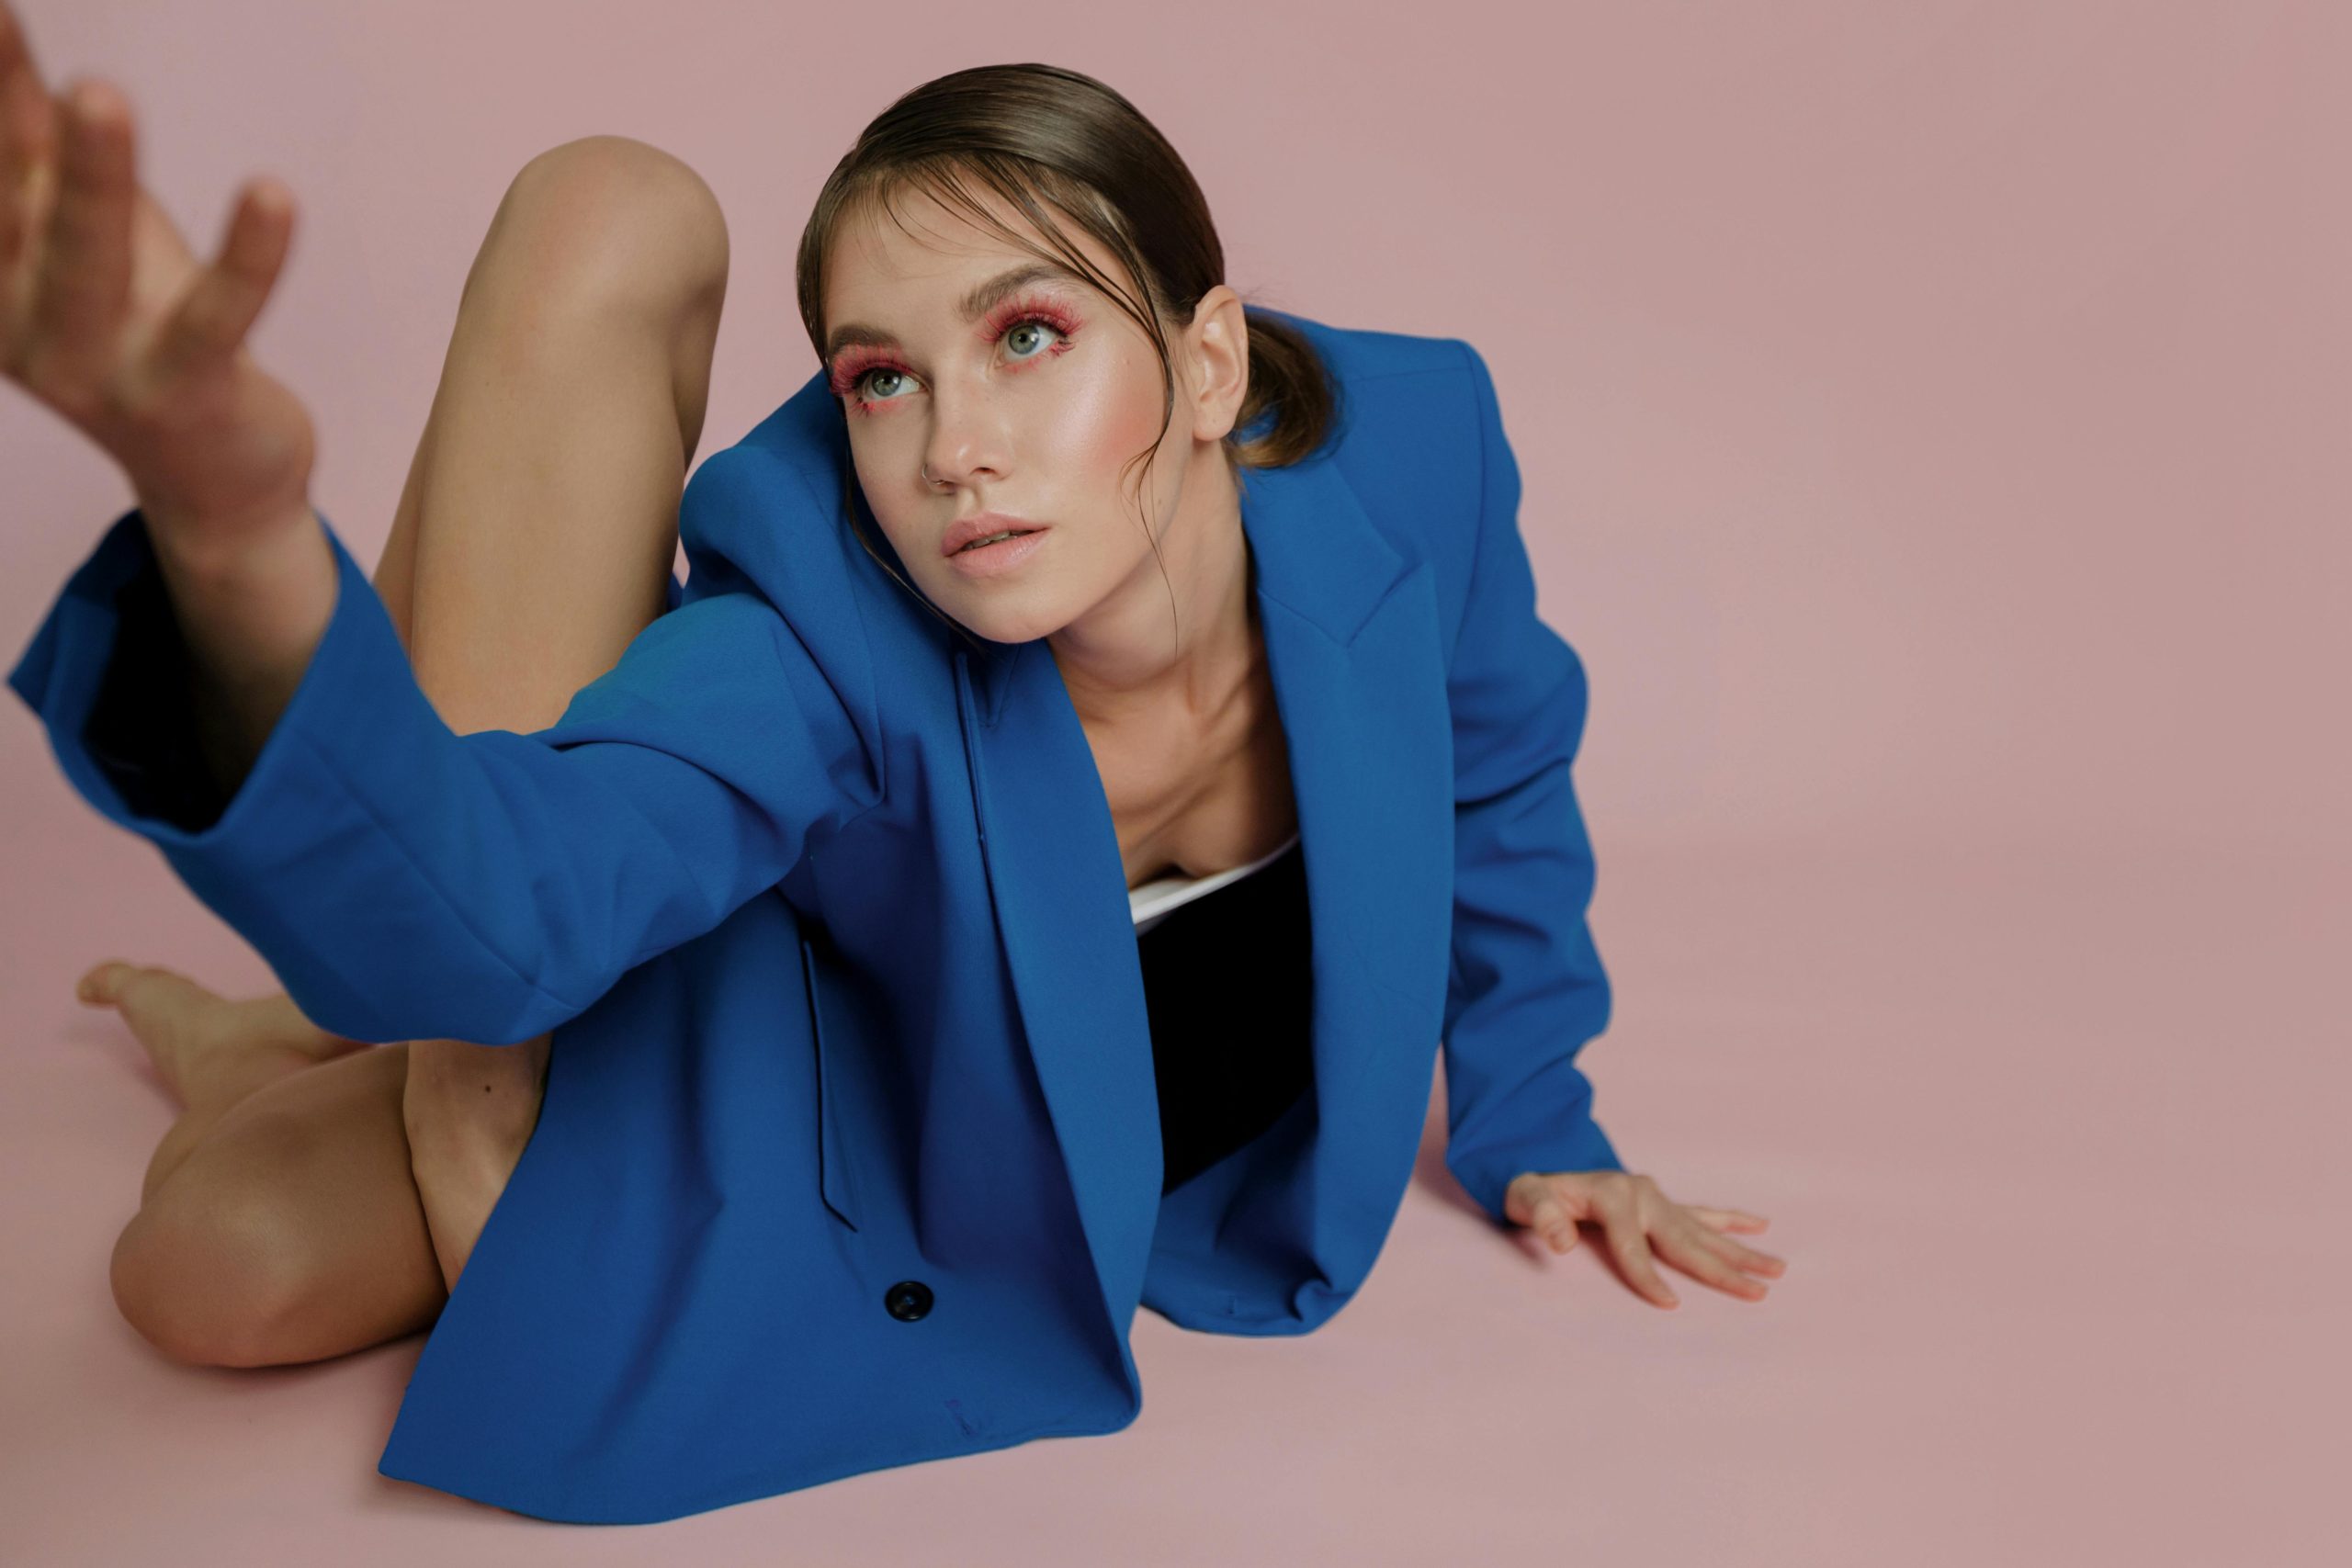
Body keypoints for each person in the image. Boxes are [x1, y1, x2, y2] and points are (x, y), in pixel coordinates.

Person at [2, 5, 1785, 1522]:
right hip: (811, 1092)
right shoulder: (818, 621)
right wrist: (231, 536)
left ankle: (279, 1028)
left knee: (217, 1247)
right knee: (199, 1271)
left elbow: (1495, 771)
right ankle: (364, 1032)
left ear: (1207, 356)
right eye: (879, 376)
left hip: (1032, 1153)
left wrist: (1537, 1110)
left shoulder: (1413, 451)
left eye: (1027, 336)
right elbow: (524, 898)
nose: (953, 452)